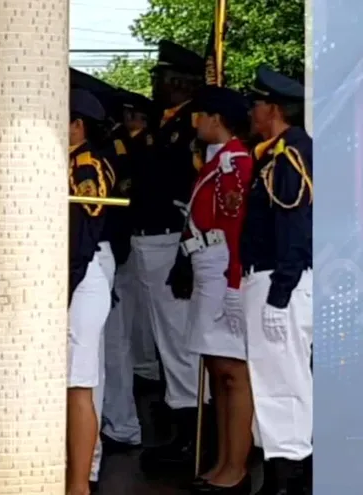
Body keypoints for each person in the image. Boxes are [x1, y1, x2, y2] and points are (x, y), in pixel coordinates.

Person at [132, 40, 208, 473]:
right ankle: (182, 424)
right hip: (151, 237)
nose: (154, 85)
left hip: (168, 238)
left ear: (178, 83)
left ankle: (191, 434)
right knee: (167, 340)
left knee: (179, 340)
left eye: (159, 78)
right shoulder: (168, 124)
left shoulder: (190, 127)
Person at [174, 85, 255, 493]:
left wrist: (234, 283)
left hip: (225, 266)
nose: (196, 122)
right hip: (207, 263)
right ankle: (223, 459)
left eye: (201, 115)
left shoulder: (235, 164)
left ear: (217, 119)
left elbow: (236, 227)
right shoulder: (217, 161)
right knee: (216, 368)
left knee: (232, 372)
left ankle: (236, 467)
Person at [242, 65, 312, 495]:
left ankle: (288, 479)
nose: (251, 111)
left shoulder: (288, 155)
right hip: (271, 278)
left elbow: (295, 228)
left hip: (279, 280)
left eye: (256, 104)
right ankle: (280, 471)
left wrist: (280, 293)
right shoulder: (274, 152)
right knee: (273, 380)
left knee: (282, 382)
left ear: (273, 109)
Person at [65, 88, 115, 495]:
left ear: (78, 125)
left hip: (82, 273)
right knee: (72, 380)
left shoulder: (87, 167)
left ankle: (80, 482)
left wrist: (66, 286)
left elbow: (82, 234)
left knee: (79, 382)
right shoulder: (70, 161)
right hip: (72, 273)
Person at [100, 88, 154, 455]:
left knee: (114, 345)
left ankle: (121, 424)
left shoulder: (110, 149)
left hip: (113, 254)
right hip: (116, 253)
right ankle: (117, 421)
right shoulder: (113, 146)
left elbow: (121, 206)